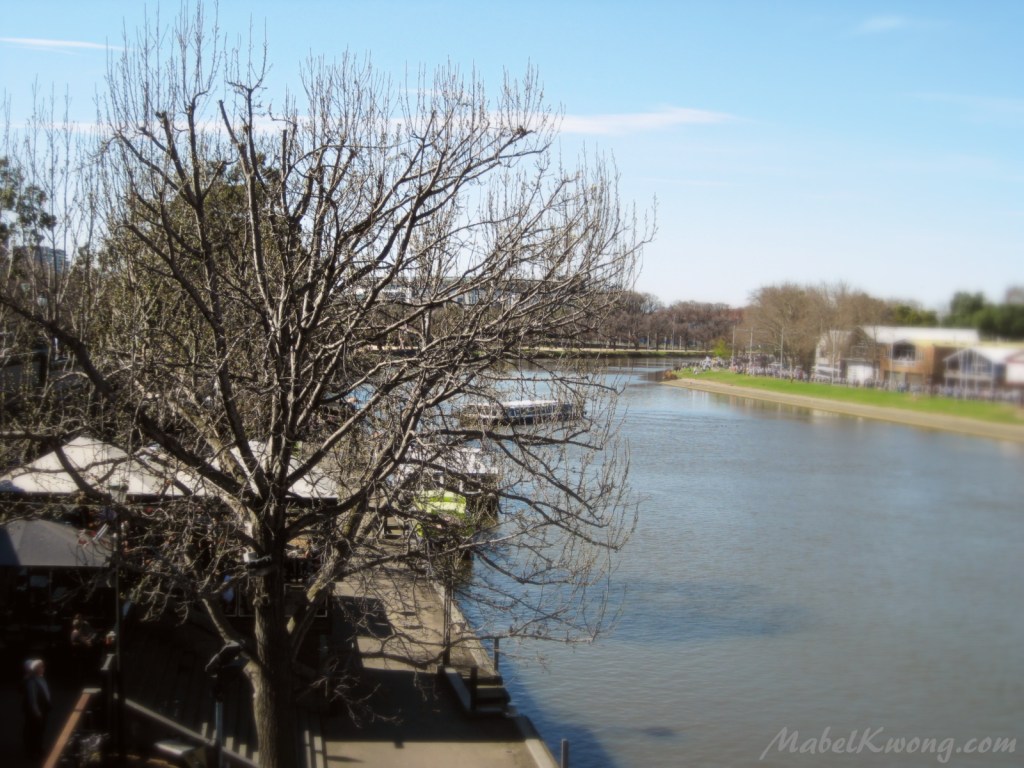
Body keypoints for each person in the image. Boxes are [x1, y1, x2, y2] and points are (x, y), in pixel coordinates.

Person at [22, 658, 52, 759]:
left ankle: (38, 748)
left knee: (40, 730)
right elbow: (32, 699)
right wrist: (37, 712)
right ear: (36, 669)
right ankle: (33, 751)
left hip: (43, 709)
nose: (44, 668)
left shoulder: (41, 678)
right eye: (41, 666)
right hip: (37, 711)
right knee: (34, 731)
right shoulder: (32, 682)